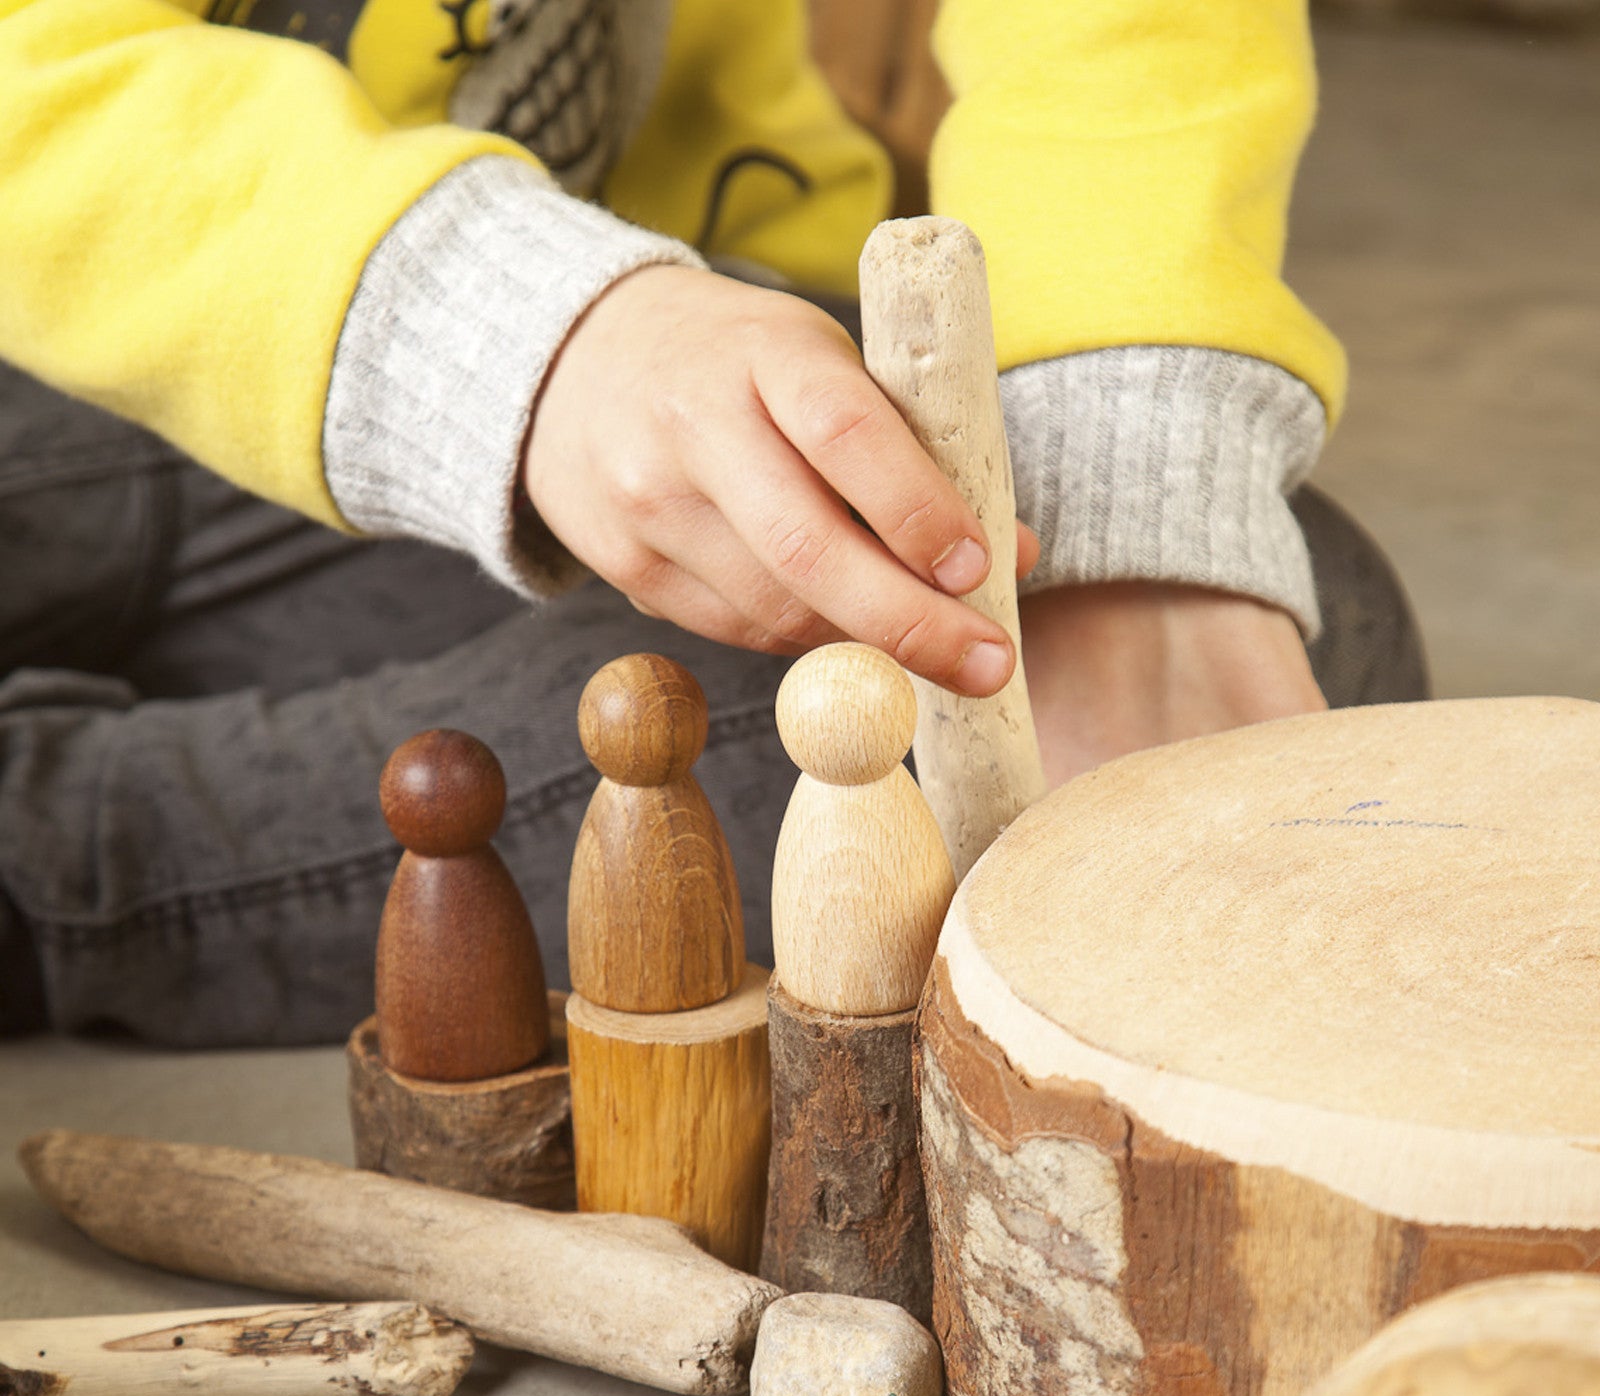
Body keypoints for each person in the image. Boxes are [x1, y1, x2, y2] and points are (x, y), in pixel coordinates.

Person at [0, 0, 1426, 1044]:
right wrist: (513, 335)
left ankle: (64, 846)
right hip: (114, 278)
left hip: (634, 275)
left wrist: (1120, 448)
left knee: (1313, 630)